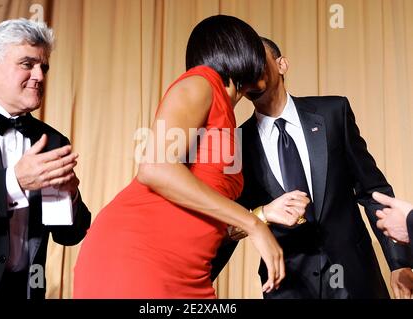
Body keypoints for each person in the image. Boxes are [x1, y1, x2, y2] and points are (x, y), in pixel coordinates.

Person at [74, 15, 310, 299]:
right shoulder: (201, 83)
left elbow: (206, 214)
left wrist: (263, 214)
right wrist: (254, 225)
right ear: (236, 49)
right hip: (140, 257)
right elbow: (156, 168)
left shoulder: (227, 121)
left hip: (188, 270)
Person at [211, 37, 413, 298]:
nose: (248, 67)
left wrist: (400, 262)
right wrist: (196, 280)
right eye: (242, 63)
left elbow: (373, 191)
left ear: (282, 64)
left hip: (354, 277)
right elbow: (229, 219)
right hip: (287, 285)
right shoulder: (235, 143)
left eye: (256, 58)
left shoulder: (333, 113)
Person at [0, 18, 91, 299]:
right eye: (27, 64)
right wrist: (14, 181)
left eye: (43, 67)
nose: (40, 76)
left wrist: (70, 198)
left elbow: (69, 235)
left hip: (25, 291)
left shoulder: (54, 141)